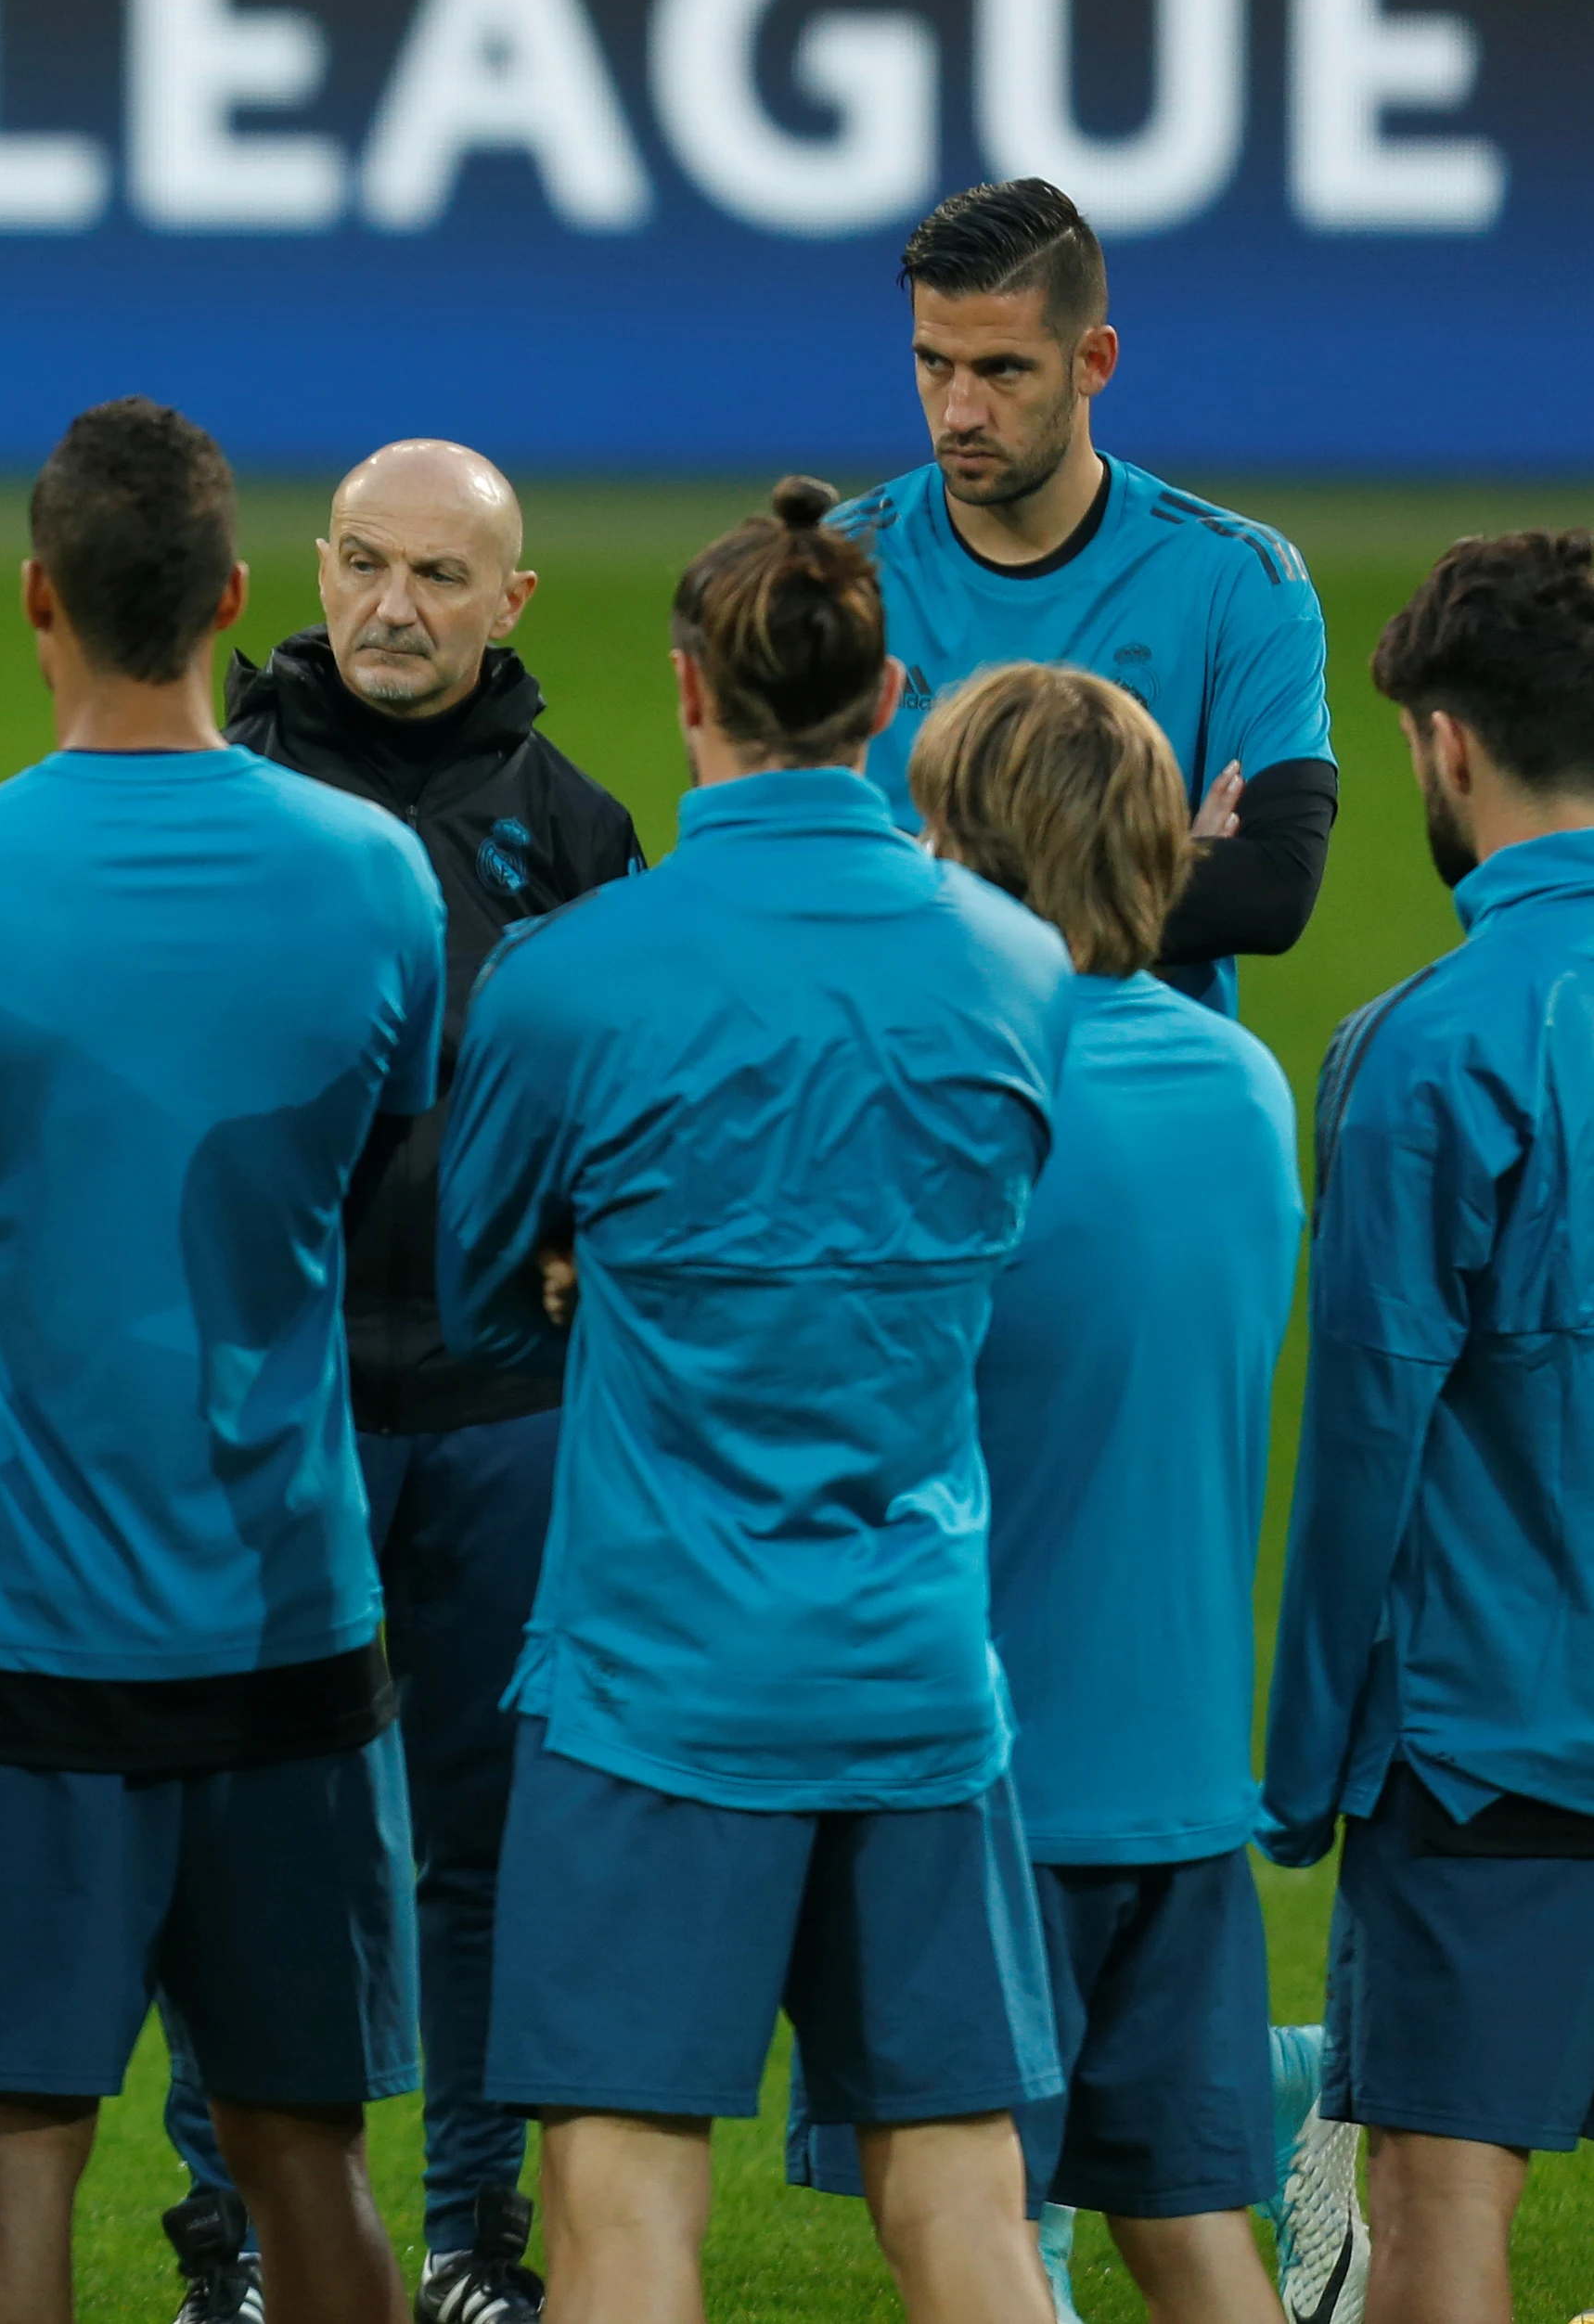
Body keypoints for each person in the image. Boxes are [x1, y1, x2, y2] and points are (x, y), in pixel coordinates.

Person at [0, 398, 442, 2324]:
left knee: (1, 2185)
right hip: (289, 1626)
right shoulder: (376, 878)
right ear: (243, 599)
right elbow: (388, 1210)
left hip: (12, 1632)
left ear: (32, 605)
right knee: (305, 2163)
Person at [436, 480, 1073, 2324]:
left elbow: (480, 1286)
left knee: (618, 2193)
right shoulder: (1015, 967)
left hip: (654, 1682)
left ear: (685, 690)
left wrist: (595, 1260)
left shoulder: (570, 978)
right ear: (886, 703)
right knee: (961, 2186)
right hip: (913, 1672)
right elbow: (990, 1241)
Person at [139, 441, 639, 2324]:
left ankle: (459, 2241)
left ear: (510, 604)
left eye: (436, 576)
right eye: (357, 564)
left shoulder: (576, 835)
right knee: (254, 1837)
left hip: (500, 1415)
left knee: (482, 1845)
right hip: (272, 1410)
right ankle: (243, 2247)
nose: (385, 608)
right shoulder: (225, 787)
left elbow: (635, 1097)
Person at [743, 666, 1297, 2324]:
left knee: (964, 2227)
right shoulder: (1241, 1084)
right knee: (1190, 2235)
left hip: (980, 1783)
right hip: (1187, 1779)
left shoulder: (958, 1095)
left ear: (959, 848)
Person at [1263, 529, 1594, 2324]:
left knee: (1437, 2190)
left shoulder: (1426, 1041)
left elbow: (1367, 1441)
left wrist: (1306, 1757)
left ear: (1443, 746)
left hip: (1489, 1749)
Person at [831, 178, 1336, 1012]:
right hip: (900, 1103)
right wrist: (1153, 871)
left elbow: (1274, 886)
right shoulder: (835, 566)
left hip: (1140, 1102)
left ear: (1092, 361)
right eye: (933, 362)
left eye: (1002, 371)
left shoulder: (1238, 580)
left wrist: (922, 883)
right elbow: (786, 877)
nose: (958, 411)